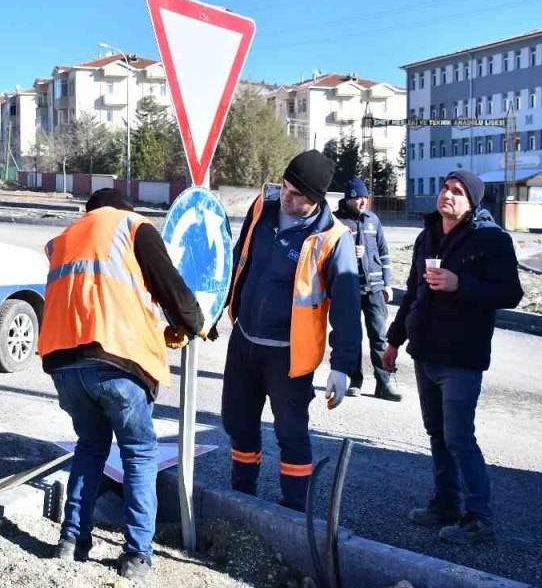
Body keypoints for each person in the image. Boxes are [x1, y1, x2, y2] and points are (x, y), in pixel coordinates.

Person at [39, 188, 204, 582]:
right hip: (117, 360)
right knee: (139, 454)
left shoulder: (64, 239)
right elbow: (170, 286)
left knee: (91, 447)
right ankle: (136, 556)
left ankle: (71, 541)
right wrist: (194, 322)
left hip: (64, 365)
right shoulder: (132, 226)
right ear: (120, 209)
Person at [383, 170, 523, 544]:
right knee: (437, 434)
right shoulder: (426, 236)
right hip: (425, 352)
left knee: (459, 437)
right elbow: (412, 292)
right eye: (445, 187)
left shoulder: (490, 239)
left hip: (461, 356)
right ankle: (446, 503)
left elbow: (510, 292)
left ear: (472, 203)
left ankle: (479, 519)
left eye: (457, 191)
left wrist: (461, 284)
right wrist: (394, 341)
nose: (448, 194)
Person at [221, 150, 362, 512]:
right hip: (246, 340)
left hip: (289, 354)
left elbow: (347, 308)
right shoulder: (261, 209)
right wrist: (215, 307)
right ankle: (241, 497)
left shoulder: (333, 238)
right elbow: (240, 261)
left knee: (291, 434)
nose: (287, 196)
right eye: (285, 187)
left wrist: (343, 366)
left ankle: (295, 512)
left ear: (317, 200)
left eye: (298, 194)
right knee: (239, 423)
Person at [334, 177, 401, 402]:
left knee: (380, 337)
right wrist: (349, 253)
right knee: (351, 337)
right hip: (348, 288)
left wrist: (388, 283)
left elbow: (384, 253)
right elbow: (327, 254)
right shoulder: (336, 222)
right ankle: (355, 381)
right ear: (348, 198)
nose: (362, 202)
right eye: (357, 198)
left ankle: (385, 383)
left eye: (364, 197)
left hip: (375, 289)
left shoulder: (373, 220)